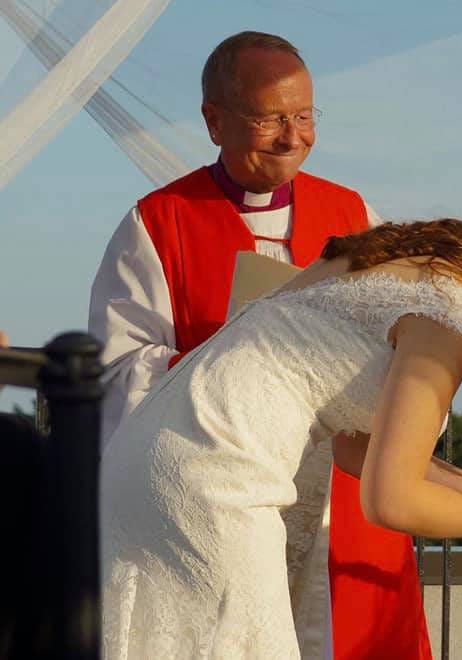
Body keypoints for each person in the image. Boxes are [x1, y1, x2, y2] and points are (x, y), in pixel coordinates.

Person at [99, 158, 462, 658]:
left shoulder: (423, 259)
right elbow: (391, 497)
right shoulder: (448, 316)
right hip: (213, 481)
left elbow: (360, 449)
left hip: (152, 457)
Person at [86, 31, 428, 658]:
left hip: (339, 501)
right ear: (215, 121)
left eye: (303, 116)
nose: (293, 136)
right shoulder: (158, 222)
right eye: (271, 119)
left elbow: (400, 337)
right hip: (215, 491)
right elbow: (117, 369)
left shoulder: (353, 216)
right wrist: (232, 365)